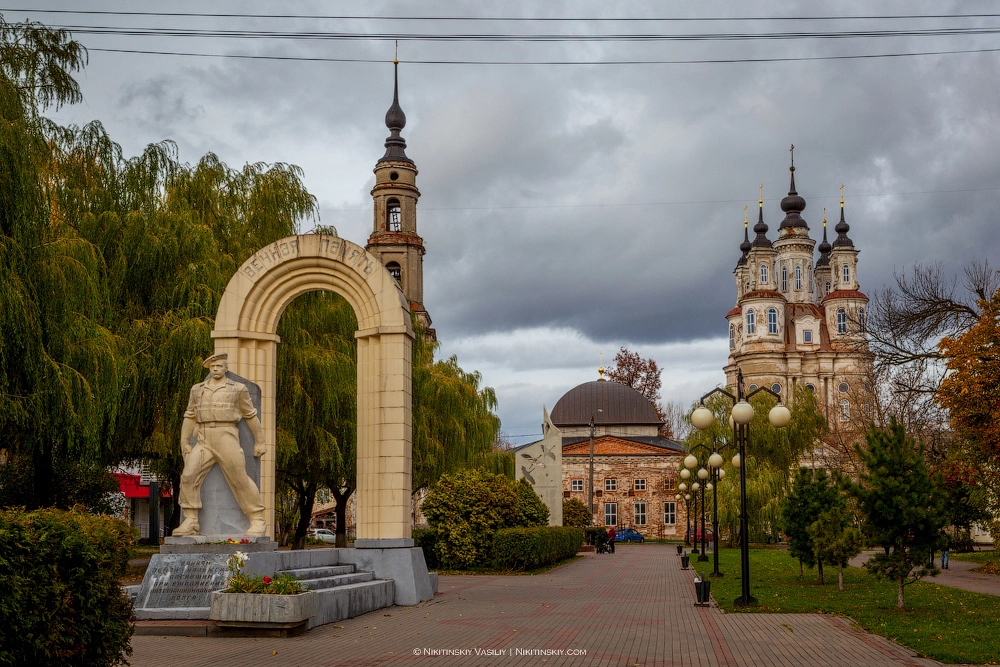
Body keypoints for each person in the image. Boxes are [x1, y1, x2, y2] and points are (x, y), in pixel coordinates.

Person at [174, 353, 267, 536]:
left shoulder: (238, 388)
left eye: (219, 366)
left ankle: (257, 519)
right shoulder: (197, 390)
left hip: (226, 435)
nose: (216, 369)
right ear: (209, 368)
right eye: (212, 367)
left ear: (226, 368)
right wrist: (184, 441)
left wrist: (260, 441)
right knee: (188, 476)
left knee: (239, 478)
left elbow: (250, 415)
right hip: (203, 437)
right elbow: (190, 416)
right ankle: (191, 520)